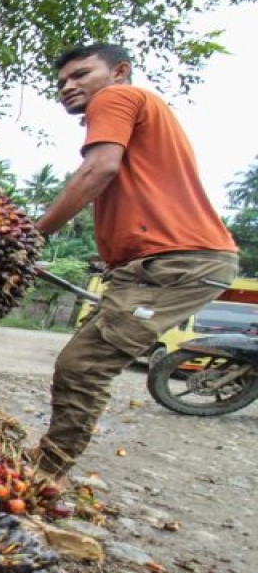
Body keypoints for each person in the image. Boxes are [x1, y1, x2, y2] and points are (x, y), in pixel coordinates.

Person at [27, 43, 239, 481]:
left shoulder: (117, 97)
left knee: (83, 365)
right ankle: (45, 468)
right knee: (85, 359)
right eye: (62, 82)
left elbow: (98, 169)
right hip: (165, 262)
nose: (68, 87)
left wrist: (31, 235)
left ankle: (42, 477)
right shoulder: (140, 114)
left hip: (177, 261)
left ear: (119, 71)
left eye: (81, 74)